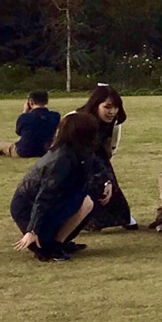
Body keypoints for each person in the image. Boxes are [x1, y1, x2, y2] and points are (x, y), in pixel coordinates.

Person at [10, 111, 104, 261]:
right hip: (28, 205)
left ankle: (58, 243)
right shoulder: (61, 159)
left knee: (88, 201)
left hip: (54, 201)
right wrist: (32, 229)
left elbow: (99, 168)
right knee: (43, 249)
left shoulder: (81, 150)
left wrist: (107, 184)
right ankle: (50, 246)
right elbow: (44, 196)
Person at [74, 84, 137, 229]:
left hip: (98, 155)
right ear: (96, 105)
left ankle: (122, 217)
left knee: (110, 184)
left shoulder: (112, 123)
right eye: (107, 107)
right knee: (92, 185)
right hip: (78, 158)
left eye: (115, 107)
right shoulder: (80, 121)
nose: (112, 111)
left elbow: (108, 145)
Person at [0, 91, 59, 157]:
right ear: (47, 101)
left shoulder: (25, 117)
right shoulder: (55, 116)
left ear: (31, 102)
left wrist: (24, 112)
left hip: (24, 151)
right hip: (45, 150)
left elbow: (18, 132)